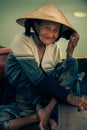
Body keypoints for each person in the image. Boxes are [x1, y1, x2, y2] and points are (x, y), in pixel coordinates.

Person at [0, 3, 87, 130]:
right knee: (4, 125)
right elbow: (36, 78)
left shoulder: (54, 47)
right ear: (36, 26)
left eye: (55, 30)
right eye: (47, 28)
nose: (51, 34)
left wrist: (69, 53)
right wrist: (69, 98)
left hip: (42, 97)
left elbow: (61, 77)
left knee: (72, 62)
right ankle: (37, 117)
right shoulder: (21, 40)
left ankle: (47, 111)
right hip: (18, 97)